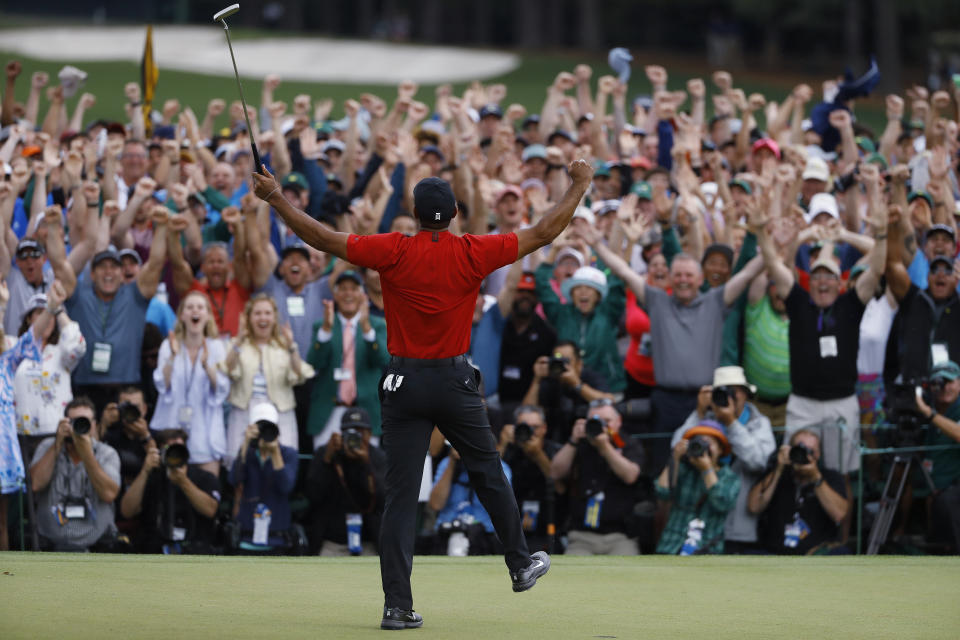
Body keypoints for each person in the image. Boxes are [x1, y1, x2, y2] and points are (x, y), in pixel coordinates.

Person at [253, 159, 595, 629]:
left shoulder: (393, 249)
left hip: (403, 383)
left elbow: (323, 239)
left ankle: (397, 606)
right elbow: (543, 232)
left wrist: (275, 198)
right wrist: (578, 184)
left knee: (400, 496)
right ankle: (519, 564)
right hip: (455, 382)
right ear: (454, 212)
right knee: (489, 473)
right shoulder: (473, 251)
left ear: (414, 214)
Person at [580, 225, 764, 475]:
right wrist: (598, 245)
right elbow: (623, 271)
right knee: (664, 467)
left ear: (700, 279)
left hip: (705, 400)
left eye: (689, 275)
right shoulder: (657, 301)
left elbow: (747, 273)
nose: (683, 280)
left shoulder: (716, 300)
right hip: (665, 401)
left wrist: (777, 245)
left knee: (703, 467)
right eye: (677, 275)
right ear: (670, 278)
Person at [756, 164, 888, 473]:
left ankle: (841, 523)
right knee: (794, 470)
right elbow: (774, 265)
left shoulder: (850, 303)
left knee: (841, 475)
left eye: (829, 277)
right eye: (817, 277)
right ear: (809, 280)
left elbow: (878, 268)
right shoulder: (799, 301)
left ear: (840, 282)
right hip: (802, 404)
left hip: (843, 402)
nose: (823, 282)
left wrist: (861, 234)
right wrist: (801, 236)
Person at [67, 207, 168, 410]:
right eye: (102, 267)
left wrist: (162, 226)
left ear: (122, 274)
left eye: (114, 267)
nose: (108, 272)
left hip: (126, 388)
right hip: (85, 388)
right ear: (92, 273)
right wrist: (54, 227)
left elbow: (156, 263)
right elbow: (61, 268)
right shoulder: (78, 295)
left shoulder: (135, 296)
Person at [671, 367, 776, 553]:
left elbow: (759, 462)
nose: (729, 397)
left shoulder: (759, 423)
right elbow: (676, 449)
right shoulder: (704, 419)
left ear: (744, 393)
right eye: (722, 391)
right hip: (700, 525)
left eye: (733, 391)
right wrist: (699, 413)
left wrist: (731, 423)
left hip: (739, 526)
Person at [0, 281, 61, 550]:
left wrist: (51, 307)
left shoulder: (7, 362)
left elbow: (33, 334)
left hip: (2, 453)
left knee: (0, 523)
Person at [221, 294, 315, 468]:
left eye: (267, 313)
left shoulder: (283, 345)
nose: (262, 318)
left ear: (274, 318)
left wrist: (292, 346)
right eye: (257, 313)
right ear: (249, 317)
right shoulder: (237, 344)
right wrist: (239, 341)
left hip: (280, 410)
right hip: (244, 410)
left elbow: (300, 374)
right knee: (239, 462)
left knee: (282, 463)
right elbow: (228, 369)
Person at [150, 291, 230, 477]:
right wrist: (172, 356)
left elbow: (223, 389)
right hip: (173, 426)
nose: (195, 311)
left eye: (200, 307)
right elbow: (162, 385)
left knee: (207, 493)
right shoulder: (168, 345)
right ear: (182, 316)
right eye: (190, 307)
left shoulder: (217, 347)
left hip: (205, 430)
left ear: (208, 315)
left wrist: (206, 366)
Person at [549, 399, 644, 555]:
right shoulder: (580, 444)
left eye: (607, 421)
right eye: (596, 421)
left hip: (620, 536)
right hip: (581, 537)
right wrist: (573, 440)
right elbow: (555, 473)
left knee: (628, 571)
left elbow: (630, 476)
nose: (602, 426)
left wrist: (605, 446)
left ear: (618, 422)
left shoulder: (628, 444)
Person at [305, 271, 388, 447]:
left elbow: (383, 360)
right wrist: (326, 332)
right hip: (329, 410)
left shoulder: (377, 325)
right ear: (335, 295)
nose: (348, 294)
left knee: (365, 469)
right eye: (342, 289)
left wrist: (366, 329)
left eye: (353, 289)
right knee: (326, 467)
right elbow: (313, 364)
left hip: (365, 411)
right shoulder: (323, 325)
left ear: (362, 294)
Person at [29, 396, 121, 551]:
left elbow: (109, 494)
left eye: (84, 421)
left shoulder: (107, 453)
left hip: (97, 547)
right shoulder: (48, 447)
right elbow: (35, 484)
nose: (79, 426)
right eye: (74, 421)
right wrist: (57, 444)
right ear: (65, 423)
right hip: (51, 545)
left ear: (94, 425)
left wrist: (87, 454)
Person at [747, 429, 851, 555]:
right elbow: (754, 506)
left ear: (818, 455)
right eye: (799, 449)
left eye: (810, 451)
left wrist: (816, 478)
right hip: (775, 554)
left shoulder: (830, 477)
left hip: (816, 556)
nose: (804, 455)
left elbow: (839, 514)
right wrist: (779, 469)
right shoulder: (778, 475)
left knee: (841, 553)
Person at [119, 428, 220, 554]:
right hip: (154, 550)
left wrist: (183, 481)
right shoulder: (151, 477)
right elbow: (127, 511)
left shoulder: (204, 478)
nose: (175, 454)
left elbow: (210, 510)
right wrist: (145, 471)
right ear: (160, 452)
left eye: (179, 448)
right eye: (170, 449)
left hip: (194, 550)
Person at [304, 408, 386, 556]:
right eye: (350, 431)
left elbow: (381, 499)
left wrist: (365, 463)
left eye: (360, 431)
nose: (355, 436)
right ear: (341, 433)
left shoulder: (377, 457)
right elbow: (313, 495)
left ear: (369, 433)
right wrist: (327, 461)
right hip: (332, 543)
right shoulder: (327, 453)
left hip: (368, 543)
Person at [656, 420, 740, 555]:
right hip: (671, 546)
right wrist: (675, 458)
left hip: (706, 549)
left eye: (709, 443)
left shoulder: (730, 478)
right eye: (698, 442)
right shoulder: (683, 469)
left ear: (720, 449)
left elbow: (722, 503)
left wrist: (706, 469)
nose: (703, 447)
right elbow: (662, 492)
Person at [228, 402, 299, 551]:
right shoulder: (247, 453)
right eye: (261, 427)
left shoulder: (289, 454)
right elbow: (234, 479)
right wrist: (246, 443)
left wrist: (275, 452)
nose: (265, 433)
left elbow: (286, 486)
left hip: (278, 539)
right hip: (246, 539)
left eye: (270, 427)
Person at [13, 292, 86, 435]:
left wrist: (58, 310)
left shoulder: (61, 352)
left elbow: (77, 347)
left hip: (56, 432)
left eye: (50, 314)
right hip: (18, 433)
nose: (46, 319)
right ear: (28, 319)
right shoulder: (15, 347)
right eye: (40, 313)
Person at [498, 405, 563, 552]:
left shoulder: (555, 450)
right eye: (525, 427)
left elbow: (560, 488)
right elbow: (490, 478)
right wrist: (502, 444)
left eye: (535, 427)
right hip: (511, 526)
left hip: (549, 525)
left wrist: (538, 455)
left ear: (544, 428)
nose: (531, 432)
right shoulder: (509, 449)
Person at [914, 361, 960, 552]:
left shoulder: (930, 409)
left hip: (954, 489)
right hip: (933, 486)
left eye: (949, 382)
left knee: (948, 500)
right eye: (939, 383)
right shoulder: (927, 402)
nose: (944, 388)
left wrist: (929, 414)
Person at [496, 272, 556, 410]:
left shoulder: (547, 333)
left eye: (530, 292)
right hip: (495, 398)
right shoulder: (499, 325)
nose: (526, 296)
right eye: (521, 291)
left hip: (531, 402)